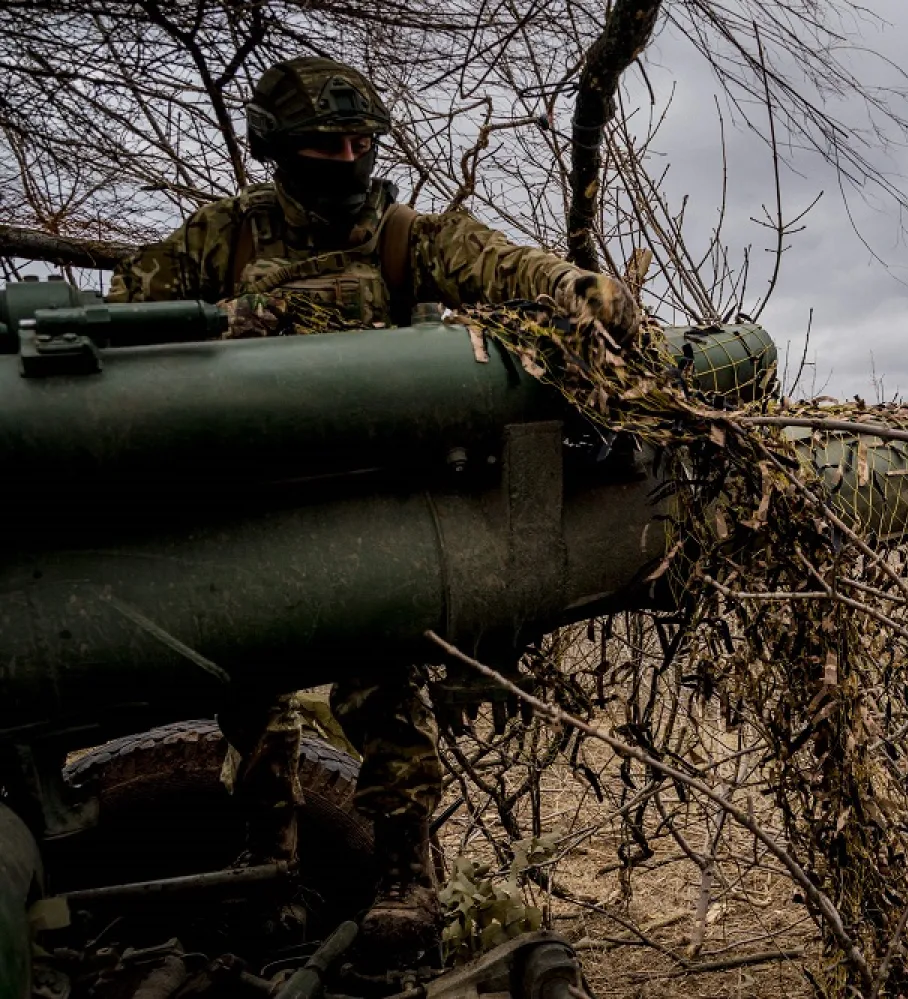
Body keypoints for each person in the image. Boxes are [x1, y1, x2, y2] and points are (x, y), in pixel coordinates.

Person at [108, 55, 641, 952]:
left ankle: (405, 872)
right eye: (326, 146)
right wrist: (215, 336)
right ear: (278, 150)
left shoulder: (402, 238)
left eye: (363, 142)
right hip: (254, 508)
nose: (349, 157)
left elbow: (493, 262)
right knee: (252, 702)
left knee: (388, 694)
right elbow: (127, 317)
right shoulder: (223, 240)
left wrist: (575, 290)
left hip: (374, 514)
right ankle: (266, 859)